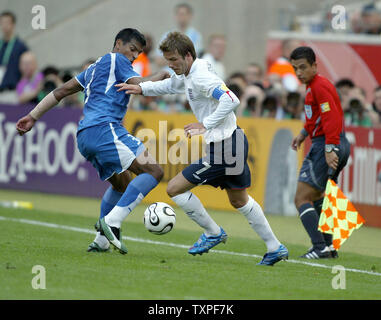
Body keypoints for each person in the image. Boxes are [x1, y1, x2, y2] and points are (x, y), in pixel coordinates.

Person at [116, 32, 288, 266]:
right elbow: (170, 85)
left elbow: (231, 99)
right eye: (168, 61)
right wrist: (143, 89)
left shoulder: (201, 77)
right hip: (233, 141)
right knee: (239, 201)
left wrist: (204, 124)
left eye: (174, 60)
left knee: (174, 188)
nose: (171, 65)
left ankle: (212, 232)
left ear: (187, 56)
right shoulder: (190, 71)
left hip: (226, 148)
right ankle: (275, 247)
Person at [15, 28, 169, 254]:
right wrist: (163, 75)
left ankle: (101, 241)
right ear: (118, 44)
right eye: (132, 49)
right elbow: (140, 85)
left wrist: (33, 115)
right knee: (154, 171)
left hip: (85, 135)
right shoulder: (117, 60)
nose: (134, 56)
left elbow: (61, 91)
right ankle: (113, 222)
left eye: (138, 53)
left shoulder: (94, 68)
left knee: (121, 183)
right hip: (105, 129)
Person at [290, 46, 351, 259]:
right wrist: (302, 134)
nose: (298, 72)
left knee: (300, 198)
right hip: (330, 142)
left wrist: (328, 149)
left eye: (303, 67)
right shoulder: (313, 86)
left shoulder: (319, 86)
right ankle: (329, 245)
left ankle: (319, 247)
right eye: (295, 68)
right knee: (317, 196)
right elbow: (315, 119)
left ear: (315, 65)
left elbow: (331, 118)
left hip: (327, 143)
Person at [0, 11, 28, 100]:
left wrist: (20, 90)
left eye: (7, 22)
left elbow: (27, 71)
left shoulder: (20, 46)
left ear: (13, 24)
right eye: (2, 22)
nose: (4, 26)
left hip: (12, 91)